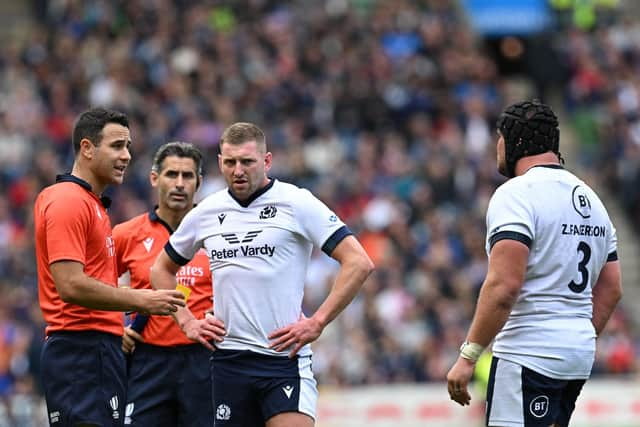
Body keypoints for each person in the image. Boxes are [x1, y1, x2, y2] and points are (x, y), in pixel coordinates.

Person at [150, 122, 374, 427]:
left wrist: (317, 322)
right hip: (228, 361)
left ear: (266, 161)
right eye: (230, 162)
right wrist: (186, 320)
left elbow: (358, 262)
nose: (238, 170)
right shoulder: (207, 211)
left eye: (247, 162)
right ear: (220, 162)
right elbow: (161, 269)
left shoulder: (296, 202)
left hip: (284, 359)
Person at [446, 100, 622, 427]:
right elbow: (612, 288)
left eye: (499, 137)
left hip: (529, 352)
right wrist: (575, 334)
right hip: (577, 355)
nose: (497, 147)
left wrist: (468, 355)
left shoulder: (516, 194)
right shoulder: (593, 200)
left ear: (515, 142)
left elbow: (503, 286)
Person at [34, 108, 187, 427]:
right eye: (117, 146)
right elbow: (70, 286)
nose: (127, 155)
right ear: (87, 148)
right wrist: (142, 300)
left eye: (128, 147)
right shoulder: (68, 200)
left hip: (99, 348)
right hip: (80, 349)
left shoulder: (93, 205)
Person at [113, 141, 221, 426]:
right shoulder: (127, 234)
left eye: (188, 176)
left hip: (204, 359)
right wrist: (115, 326)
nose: (179, 184)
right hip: (147, 361)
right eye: (172, 174)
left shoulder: (218, 233)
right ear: (154, 178)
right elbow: (92, 284)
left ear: (199, 181)